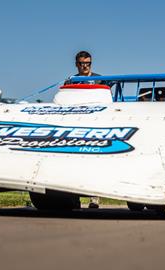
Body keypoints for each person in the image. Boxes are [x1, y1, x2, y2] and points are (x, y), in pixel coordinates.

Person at [70, 50, 101, 209]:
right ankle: (73, 199)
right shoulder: (71, 81)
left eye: (88, 63)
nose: (85, 66)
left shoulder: (100, 80)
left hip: (95, 125)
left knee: (93, 163)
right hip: (76, 125)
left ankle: (94, 199)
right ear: (77, 64)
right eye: (82, 64)